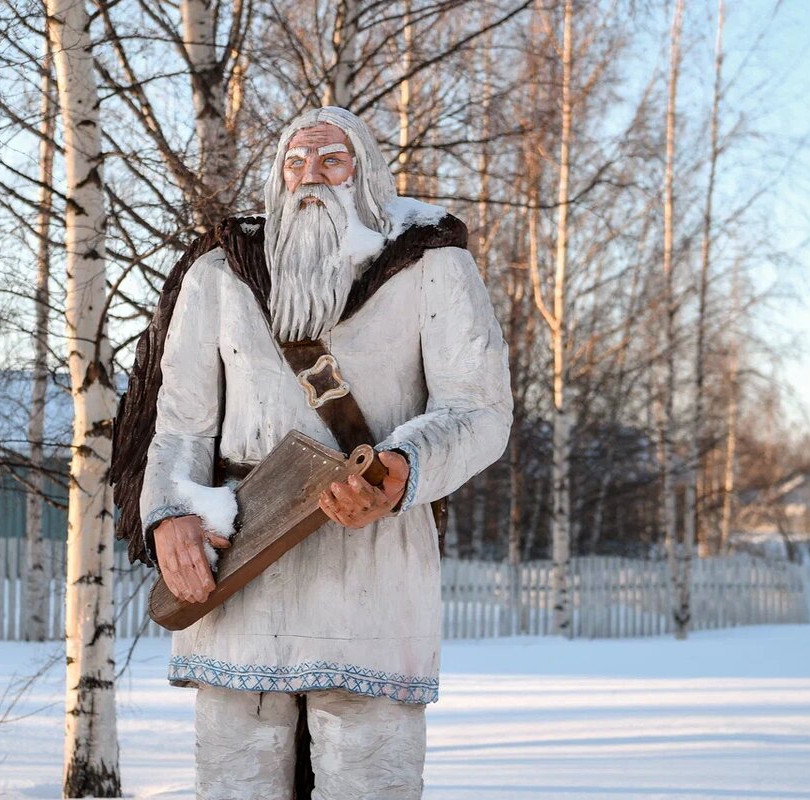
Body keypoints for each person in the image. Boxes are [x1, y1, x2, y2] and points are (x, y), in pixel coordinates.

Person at [114, 106, 513, 799]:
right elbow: (180, 423)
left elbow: (478, 408)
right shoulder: (219, 274)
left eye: (332, 160)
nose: (311, 179)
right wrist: (172, 512)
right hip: (242, 563)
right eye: (295, 164)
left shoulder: (433, 266)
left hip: (373, 569)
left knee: (370, 781)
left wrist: (401, 470)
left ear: (367, 175)